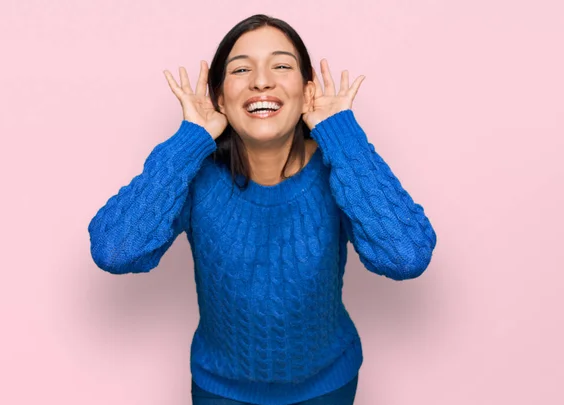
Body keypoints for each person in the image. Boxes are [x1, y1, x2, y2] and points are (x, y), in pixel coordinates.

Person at [88, 13, 437, 405]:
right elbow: (114, 250)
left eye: (281, 65)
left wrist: (342, 133)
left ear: (307, 92)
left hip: (328, 387)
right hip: (220, 391)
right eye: (241, 69)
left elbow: (407, 256)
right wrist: (190, 139)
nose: (261, 80)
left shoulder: (339, 168)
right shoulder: (196, 177)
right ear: (219, 96)